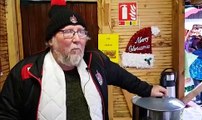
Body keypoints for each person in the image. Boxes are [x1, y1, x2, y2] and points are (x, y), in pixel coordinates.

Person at [0, 0, 167, 119]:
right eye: (68, 31)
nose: (77, 38)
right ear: (50, 40)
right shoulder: (26, 72)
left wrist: (148, 89)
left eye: (81, 32)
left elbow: (124, 78)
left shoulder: (96, 61)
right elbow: (6, 114)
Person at [189, 38, 202, 106]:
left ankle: (198, 100)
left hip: (195, 73)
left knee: (197, 87)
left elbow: (190, 62)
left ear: (196, 46)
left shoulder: (194, 53)